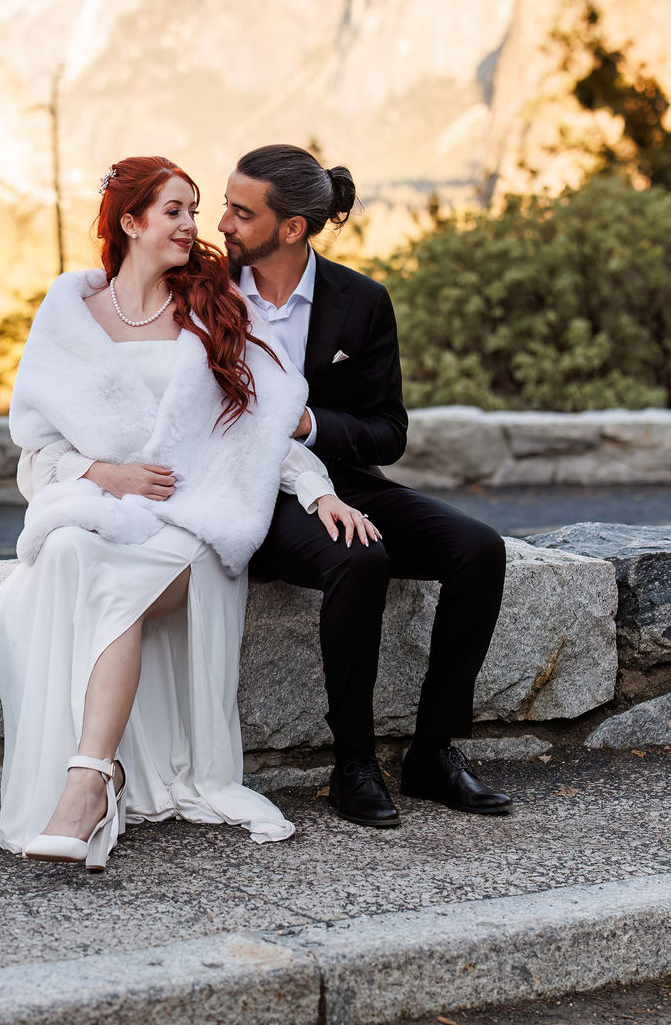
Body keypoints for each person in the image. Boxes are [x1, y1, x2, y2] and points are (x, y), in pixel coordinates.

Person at [0, 154, 380, 869]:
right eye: (175, 210)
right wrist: (105, 472)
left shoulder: (207, 309)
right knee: (70, 550)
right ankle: (94, 774)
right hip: (109, 512)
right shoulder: (70, 316)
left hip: (195, 525)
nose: (193, 227)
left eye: (194, 211)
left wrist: (318, 487)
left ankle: (86, 787)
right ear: (130, 221)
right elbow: (36, 456)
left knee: (103, 578)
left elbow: (259, 425)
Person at [219, 144, 512, 829]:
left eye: (241, 211)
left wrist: (311, 421)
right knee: (360, 558)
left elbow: (388, 431)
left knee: (479, 549)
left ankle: (433, 751)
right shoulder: (210, 288)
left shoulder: (363, 302)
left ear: (292, 227)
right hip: (249, 490)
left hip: (346, 479)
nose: (224, 223)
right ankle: (353, 763)